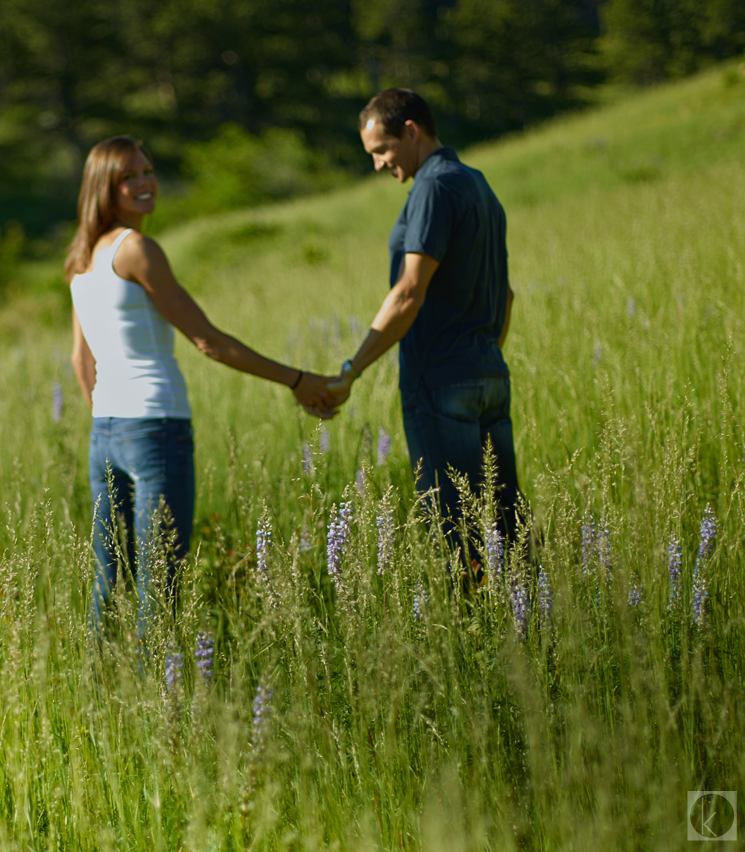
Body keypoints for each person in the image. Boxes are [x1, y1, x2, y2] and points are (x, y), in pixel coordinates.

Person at [65, 135, 334, 632]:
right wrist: (296, 379)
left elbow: (82, 361)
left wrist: (106, 416)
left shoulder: (81, 259)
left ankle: (101, 688)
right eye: (130, 176)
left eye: (148, 170)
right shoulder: (137, 250)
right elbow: (208, 341)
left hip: (105, 435)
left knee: (111, 579)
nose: (146, 182)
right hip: (155, 429)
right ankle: (158, 703)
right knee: (159, 586)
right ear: (106, 187)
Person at [326, 89, 521, 576]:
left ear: (411, 131)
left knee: (457, 534)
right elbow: (508, 295)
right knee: (506, 527)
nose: (377, 165)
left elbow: (409, 292)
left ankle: (478, 638)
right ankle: (532, 628)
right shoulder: (477, 184)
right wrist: (481, 360)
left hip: (440, 380)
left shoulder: (433, 188)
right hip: (488, 375)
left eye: (382, 151)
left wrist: (351, 370)